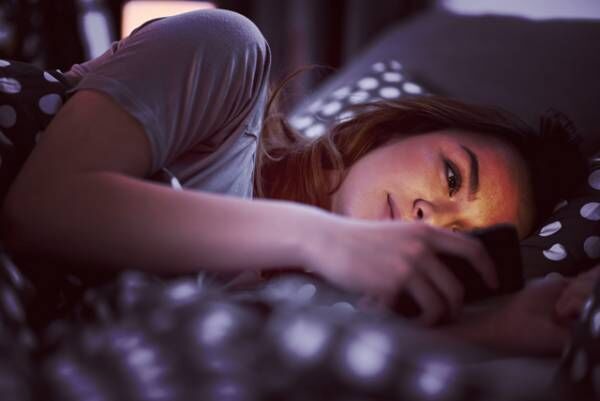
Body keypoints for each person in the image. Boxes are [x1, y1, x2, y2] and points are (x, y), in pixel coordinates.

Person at [0, 9, 588, 336]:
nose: (428, 219)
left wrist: (490, 329)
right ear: (396, 130)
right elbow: (42, 208)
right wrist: (321, 235)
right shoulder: (228, 55)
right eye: (453, 179)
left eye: (457, 237)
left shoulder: (274, 310)